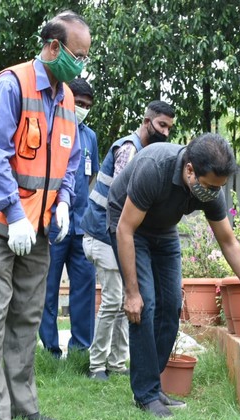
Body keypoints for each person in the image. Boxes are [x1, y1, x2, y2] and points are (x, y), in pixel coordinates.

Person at [0, 10, 90, 420]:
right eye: (77, 55)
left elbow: (71, 161)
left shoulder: (68, 99)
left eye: (86, 57)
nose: (81, 65)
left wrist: (64, 202)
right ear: (53, 47)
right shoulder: (13, 85)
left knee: (26, 316)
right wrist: (15, 214)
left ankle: (23, 405)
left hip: (39, 227)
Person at [107, 133, 240, 418]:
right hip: (129, 225)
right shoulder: (154, 167)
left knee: (172, 305)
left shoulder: (210, 187)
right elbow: (125, 229)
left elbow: (228, 241)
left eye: (219, 187)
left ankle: (152, 385)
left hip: (163, 229)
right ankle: (146, 394)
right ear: (189, 170)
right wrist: (131, 293)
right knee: (144, 304)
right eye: (210, 186)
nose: (214, 193)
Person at [81, 100, 175, 380]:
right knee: (113, 300)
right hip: (102, 234)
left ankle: (118, 362)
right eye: (161, 125)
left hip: (116, 236)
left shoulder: (147, 152)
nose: (166, 132)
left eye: (169, 128)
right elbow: (122, 200)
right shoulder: (129, 149)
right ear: (146, 122)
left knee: (128, 299)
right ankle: (96, 365)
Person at [39, 78, 99, 358]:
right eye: (79, 103)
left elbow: (91, 175)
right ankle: (50, 349)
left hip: (82, 226)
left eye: (87, 105)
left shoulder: (90, 137)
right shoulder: (52, 126)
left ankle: (80, 349)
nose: (82, 109)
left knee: (84, 288)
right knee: (48, 288)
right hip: (53, 223)